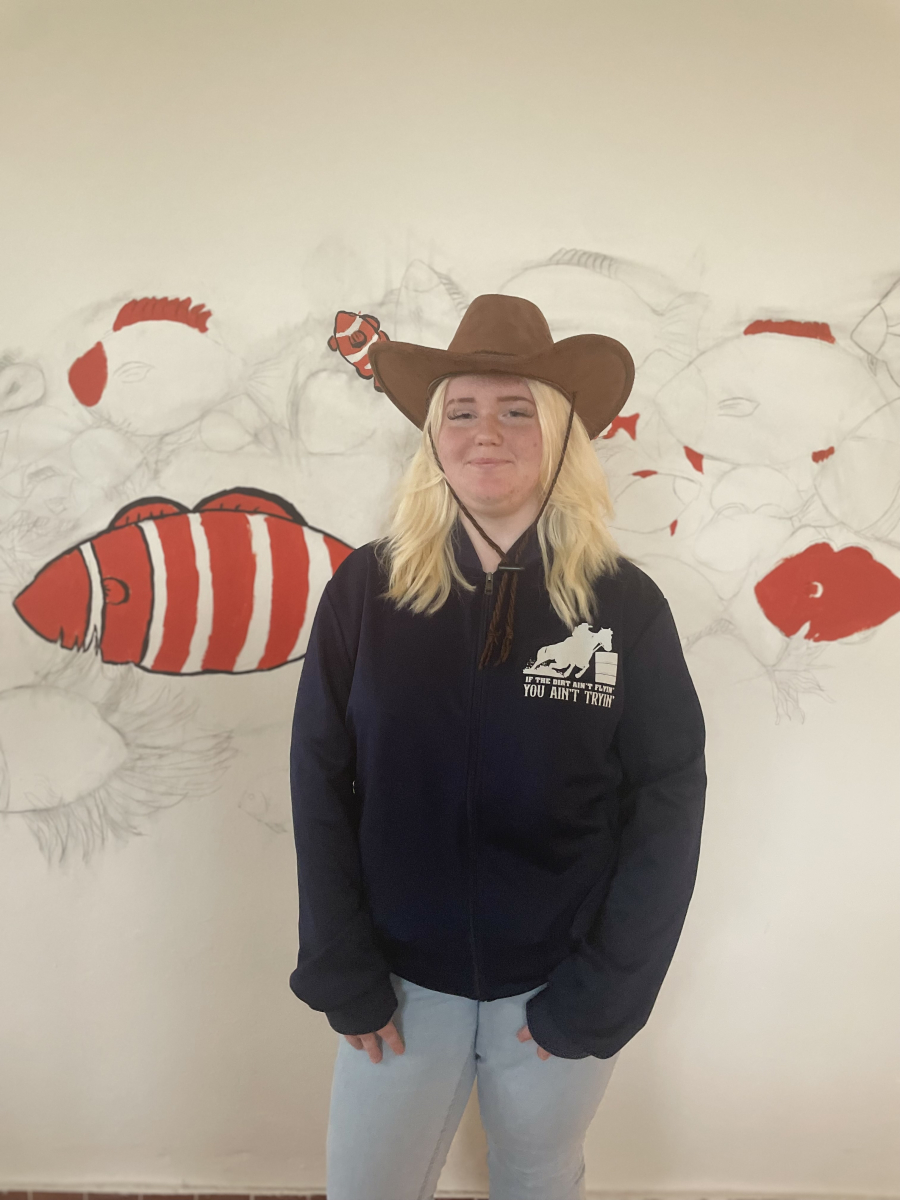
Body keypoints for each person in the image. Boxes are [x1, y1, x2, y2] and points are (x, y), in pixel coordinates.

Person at [288, 294, 707, 1200]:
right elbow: (319, 781)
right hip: (398, 985)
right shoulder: (366, 589)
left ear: (559, 437)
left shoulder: (623, 604)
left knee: (538, 1178)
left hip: (557, 986)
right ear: (433, 438)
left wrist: (606, 988)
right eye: (463, 411)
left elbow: (668, 800)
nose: (487, 432)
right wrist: (341, 965)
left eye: (518, 410)